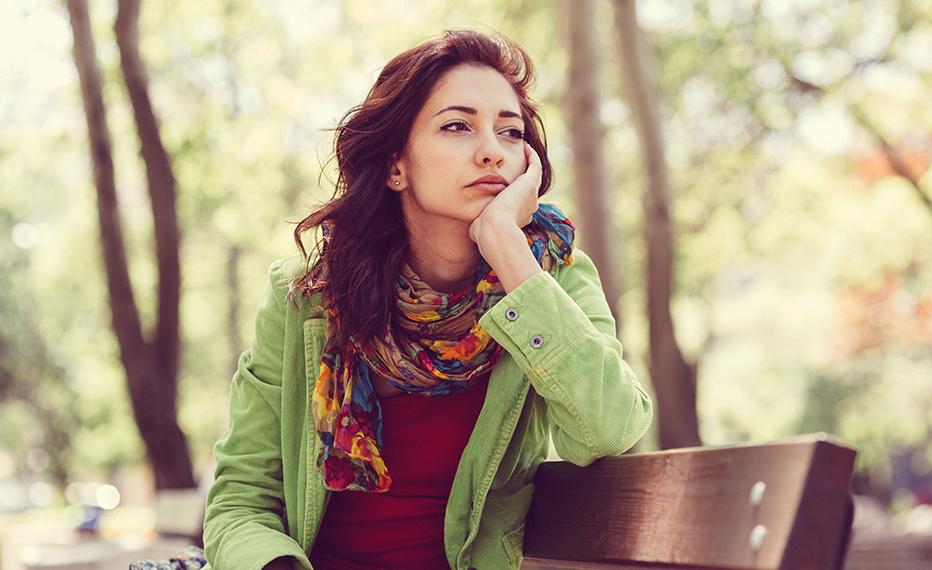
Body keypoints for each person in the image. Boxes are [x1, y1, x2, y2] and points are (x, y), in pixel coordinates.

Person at [201, 28, 654, 570]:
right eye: (458, 126)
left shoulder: (550, 279)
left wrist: (511, 254)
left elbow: (609, 429)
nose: (492, 152)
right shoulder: (309, 296)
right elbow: (240, 502)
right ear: (396, 166)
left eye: (510, 134)